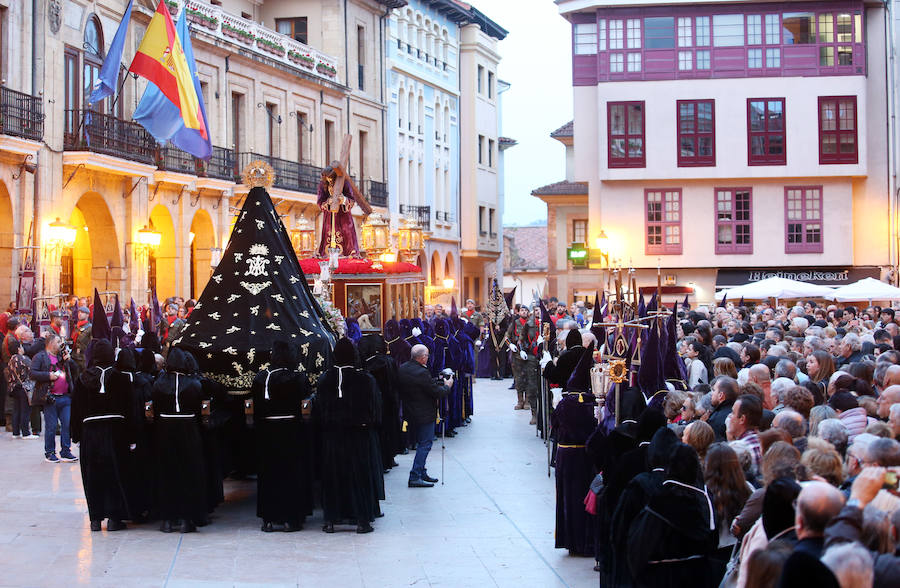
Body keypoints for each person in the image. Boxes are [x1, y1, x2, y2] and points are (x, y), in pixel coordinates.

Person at [316, 338, 382, 532]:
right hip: (359, 434)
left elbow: (319, 408)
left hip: (333, 435)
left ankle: (331, 520)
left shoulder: (325, 378)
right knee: (359, 476)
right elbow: (375, 408)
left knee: (333, 476)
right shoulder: (365, 378)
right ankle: (361, 520)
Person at [70, 339, 133, 532]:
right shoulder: (122, 378)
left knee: (93, 475)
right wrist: (132, 437)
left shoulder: (83, 379)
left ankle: (95, 519)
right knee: (115, 474)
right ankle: (114, 518)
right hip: (115, 432)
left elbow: (76, 410)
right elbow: (129, 409)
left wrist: (77, 435)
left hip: (91, 433)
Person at [251, 341, 312, 532]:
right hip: (291, 431)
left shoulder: (261, 378)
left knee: (269, 474)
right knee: (290, 474)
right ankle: (289, 518)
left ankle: (268, 519)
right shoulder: (297, 378)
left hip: (267, 432)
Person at [152, 348, 208, 533]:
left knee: (167, 474)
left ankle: (167, 519)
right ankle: (187, 519)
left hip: (166, 430)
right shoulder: (193, 384)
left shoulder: (159, 383)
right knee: (188, 474)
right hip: (188, 429)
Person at [551, 342, 598, 557]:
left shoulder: (564, 403)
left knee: (566, 498)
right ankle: (585, 541)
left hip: (565, 455)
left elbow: (555, 426)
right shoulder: (591, 403)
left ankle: (569, 540)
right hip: (584, 456)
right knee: (582, 496)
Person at [398, 343, 451, 488]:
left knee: (422, 443)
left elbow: (422, 385)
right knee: (425, 444)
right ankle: (415, 475)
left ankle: (422, 471)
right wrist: (447, 386)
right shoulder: (422, 372)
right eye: (427, 356)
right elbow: (436, 392)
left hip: (410, 411)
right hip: (424, 413)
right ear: (422, 358)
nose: (428, 358)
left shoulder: (403, 368)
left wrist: (435, 381)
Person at [31, 333, 78, 463]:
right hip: (50, 397)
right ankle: (50, 452)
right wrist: (48, 376)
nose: (60, 344)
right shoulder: (40, 357)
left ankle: (66, 451)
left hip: (65, 397)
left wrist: (69, 360)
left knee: (67, 425)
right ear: (50, 343)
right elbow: (32, 373)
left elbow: (75, 369)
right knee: (51, 426)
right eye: (58, 342)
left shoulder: (61, 356)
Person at [316, 164, 361, 257]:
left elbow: (352, 200)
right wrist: (328, 202)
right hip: (329, 216)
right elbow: (320, 202)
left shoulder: (344, 183)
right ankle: (327, 254)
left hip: (343, 216)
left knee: (346, 233)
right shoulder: (322, 185)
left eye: (331, 178)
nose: (329, 180)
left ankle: (348, 253)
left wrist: (343, 200)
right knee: (329, 234)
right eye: (327, 178)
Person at [6, 339, 37, 439]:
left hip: (13, 387)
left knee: (16, 410)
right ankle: (26, 432)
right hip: (23, 387)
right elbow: (32, 370)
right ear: (19, 349)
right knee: (25, 410)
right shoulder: (23, 358)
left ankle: (16, 432)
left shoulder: (11, 360)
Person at [708, 376, 739, 441]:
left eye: (714, 390)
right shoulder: (741, 413)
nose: (711, 394)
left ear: (721, 395)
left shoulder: (716, 419)